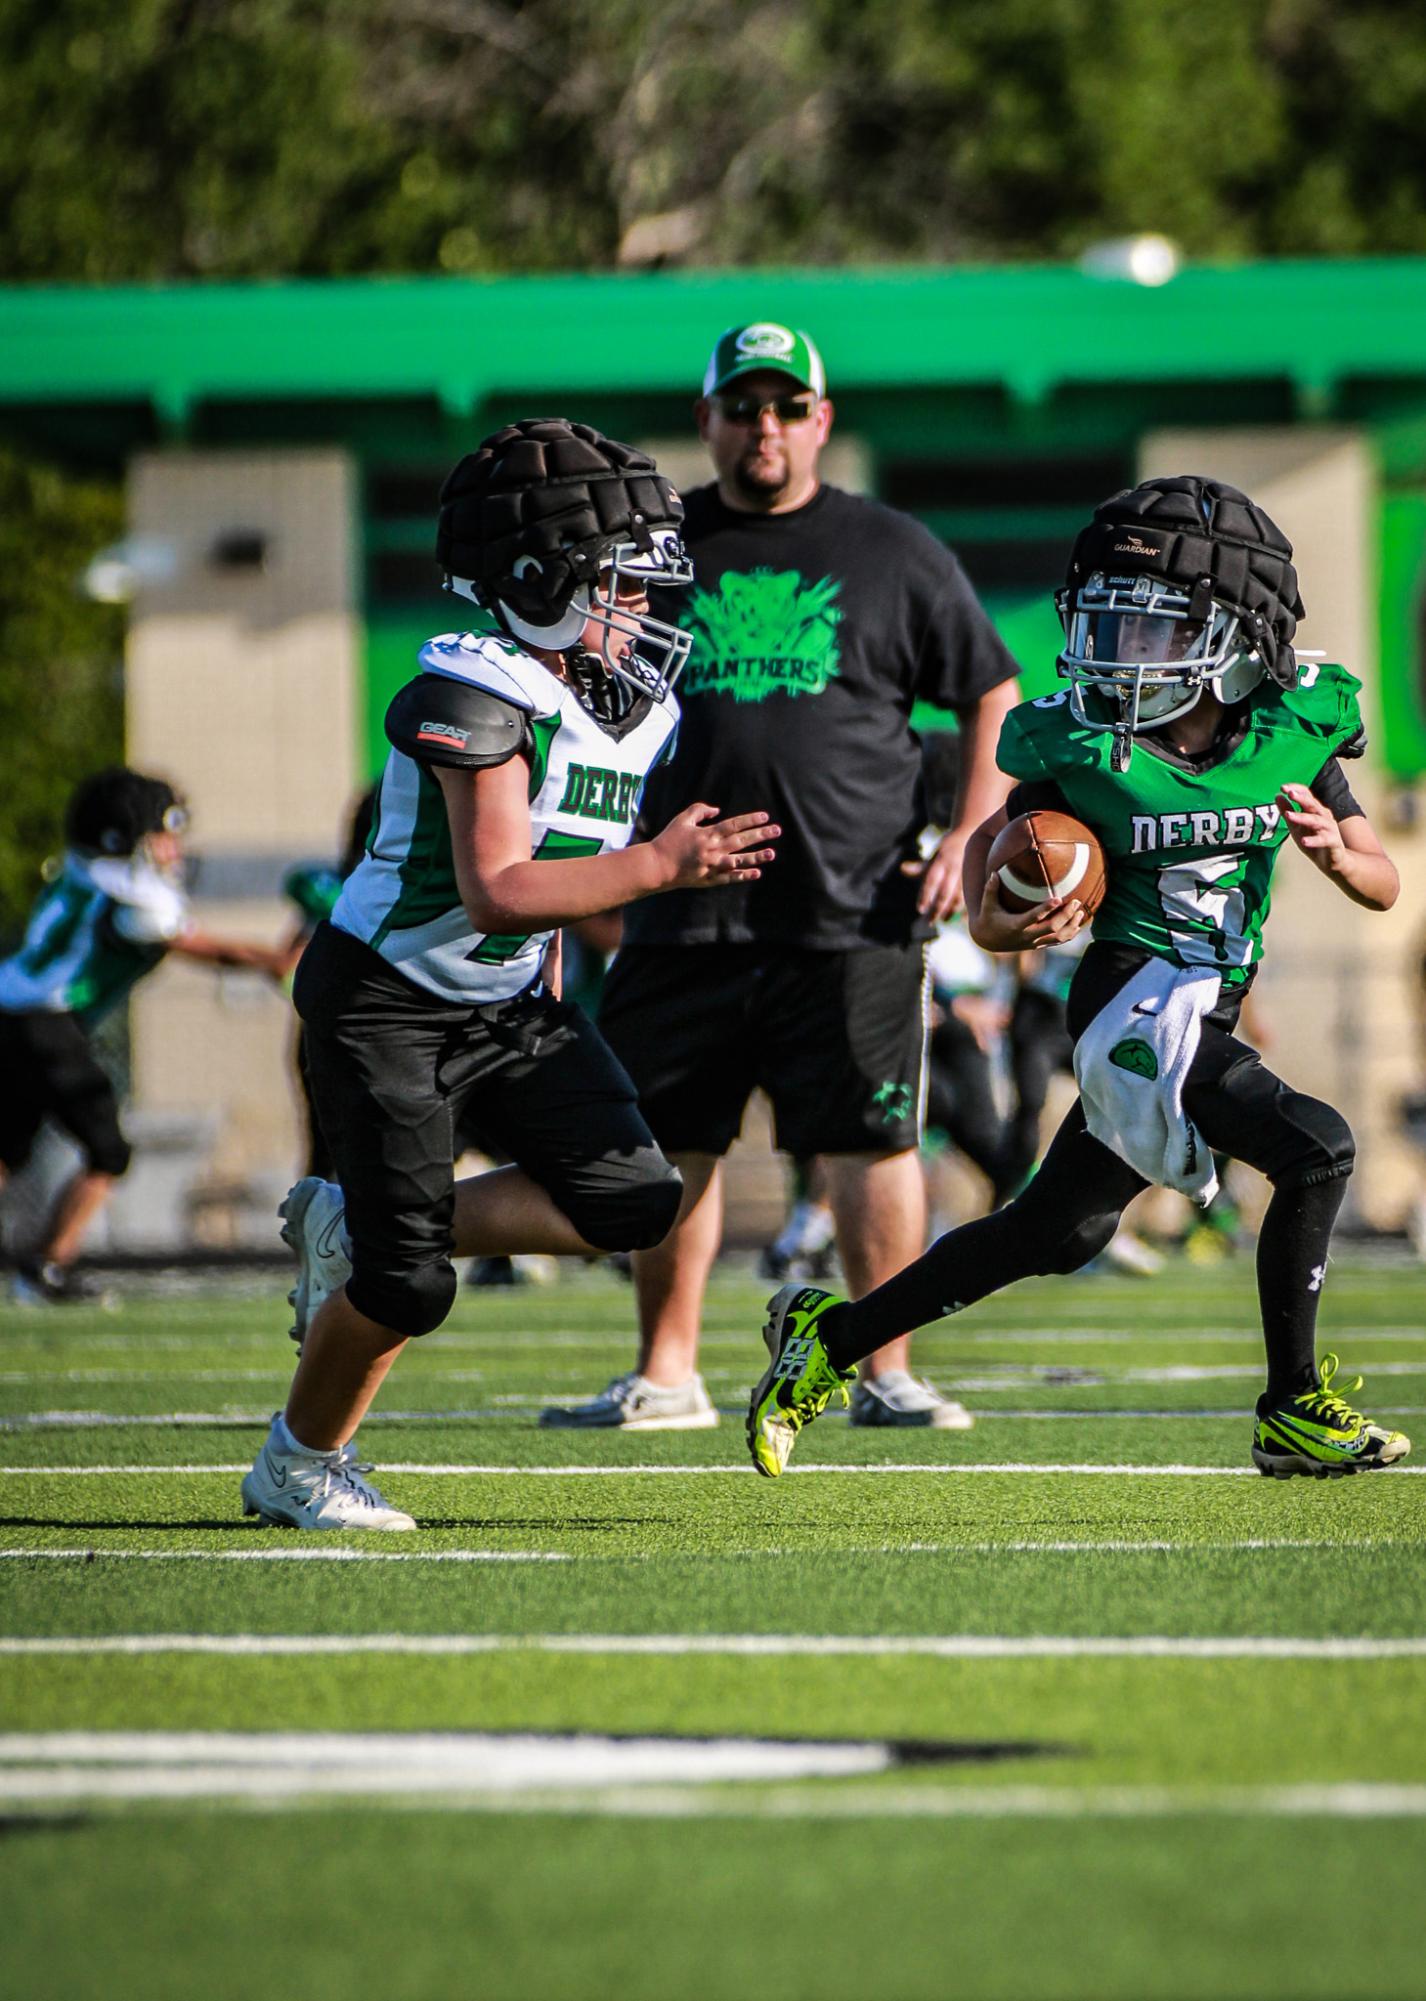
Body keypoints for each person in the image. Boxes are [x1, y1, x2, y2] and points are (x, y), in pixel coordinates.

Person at [747, 474, 1412, 1481]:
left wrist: (1332, 853)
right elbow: (987, 875)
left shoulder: (1295, 727)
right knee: (1315, 1150)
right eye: (1106, 626)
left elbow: (1382, 882)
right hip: (1132, 1000)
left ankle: (826, 1342)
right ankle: (1291, 1406)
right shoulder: (1075, 747)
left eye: (1151, 631)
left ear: (1240, 634)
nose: (1119, 655)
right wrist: (1010, 914)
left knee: (1052, 1233)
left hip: (1214, 1002)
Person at [241, 418, 778, 1531]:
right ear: (538, 582)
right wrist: (661, 867)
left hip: (502, 1002)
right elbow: (498, 885)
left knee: (631, 1198)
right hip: (384, 1001)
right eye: (618, 587)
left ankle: (362, 1218)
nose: (639, 613)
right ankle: (294, 1466)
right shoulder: (471, 689)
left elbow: (563, 878)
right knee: (407, 1286)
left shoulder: (631, 705)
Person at [543, 320, 1021, 1435]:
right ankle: (667, 1374)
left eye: (785, 407)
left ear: (820, 421)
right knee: (668, 1148)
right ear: (705, 418)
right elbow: (575, 689)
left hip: (853, 908)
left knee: (870, 1143)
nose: (765, 426)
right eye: (742, 406)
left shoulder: (892, 548)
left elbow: (991, 691)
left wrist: (967, 834)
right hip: (679, 903)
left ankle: (882, 1368)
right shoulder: (652, 546)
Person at [0, 768, 291, 1300]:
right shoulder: (139, 898)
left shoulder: (79, 872)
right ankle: (46, 1268)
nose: (171, 848)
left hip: (11, 1010)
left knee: (8, 1149)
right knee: (108, 1150)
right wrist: (280, 958)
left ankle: (41, 1269)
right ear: (123, 839)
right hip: (46, 1021)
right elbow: (215, 951)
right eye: (161, 835)